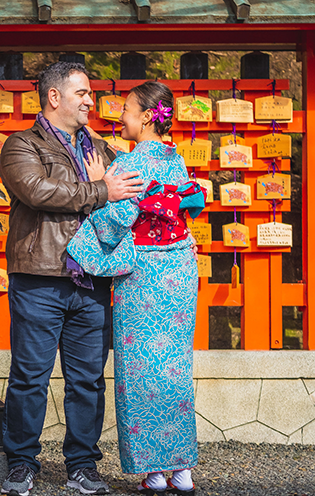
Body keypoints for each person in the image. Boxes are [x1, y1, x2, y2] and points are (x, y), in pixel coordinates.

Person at [0, 61, 144, 496]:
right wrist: (100, 190)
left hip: (93, 279)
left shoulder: (102, 148)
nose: (90, 101)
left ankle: (82, 465)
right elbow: (37, 191)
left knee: (87, 380)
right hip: (40, 276)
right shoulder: (22, 144)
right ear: (54, 96)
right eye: (81, 93)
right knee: (30, 377)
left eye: (90, 93)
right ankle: (22, 462)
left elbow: (129, 198)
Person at [67, 81, 204, 496]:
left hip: (144, 274)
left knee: (141, 369)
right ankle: (179, 469)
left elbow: (113, 222)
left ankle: (153, 471)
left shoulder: (132, 165)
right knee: (175, 368)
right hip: (179, 269)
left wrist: (98, 187)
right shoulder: (174, 159)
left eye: (126, 108)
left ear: (147, 116)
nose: (120, 115)